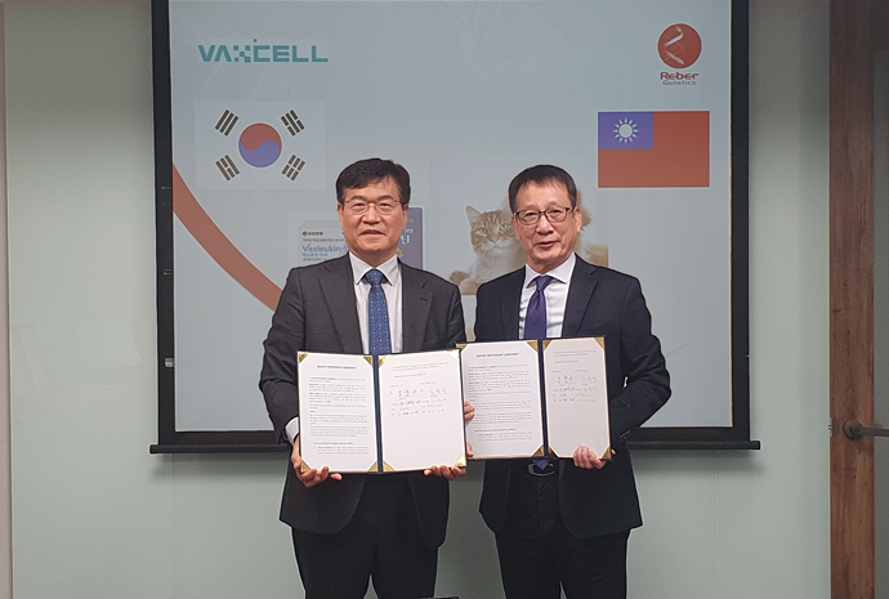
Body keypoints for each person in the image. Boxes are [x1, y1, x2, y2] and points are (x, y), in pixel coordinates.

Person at [259, 158, 468, 599]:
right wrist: (302, 437)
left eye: (385, 204)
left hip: (414, 497)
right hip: (327, 493)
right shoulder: (305, 286)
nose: (371, 216)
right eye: (358, 204)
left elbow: (454, 384)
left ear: (404, 214)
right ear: (341, 213)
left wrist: (454, 432)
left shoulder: (441, 295)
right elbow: (277, 377)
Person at [474, 164, 671, 599]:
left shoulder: (618, 291)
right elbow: (483, 381)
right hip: (513, 499)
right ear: (515, 226)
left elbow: (653, 379)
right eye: (529, 215)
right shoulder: (492, 297)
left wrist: (601, 429)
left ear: (576, 218)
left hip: (593, 496)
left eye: (555, 212)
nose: (543, 226)